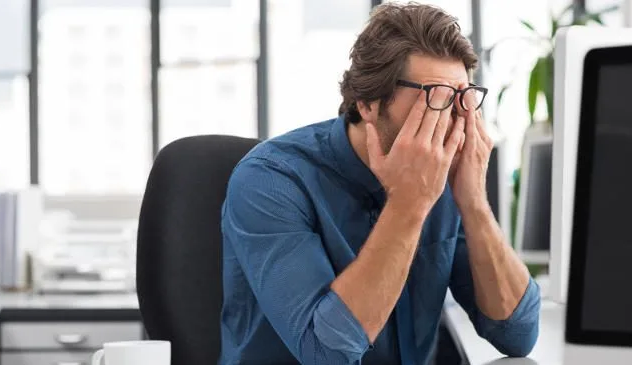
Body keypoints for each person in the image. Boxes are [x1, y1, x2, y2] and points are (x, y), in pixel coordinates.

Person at [220, 3, 540, 364]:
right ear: (369, 104)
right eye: (437, 99)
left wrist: (474, 203)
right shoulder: (270, 180)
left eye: (463, 100)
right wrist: (408, 204)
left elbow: (518, 334)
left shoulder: (450, 178)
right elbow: (327, 354)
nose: (454, 123)